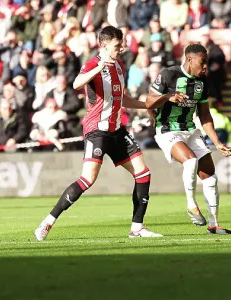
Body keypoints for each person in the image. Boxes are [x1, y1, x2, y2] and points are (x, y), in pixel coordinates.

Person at [35, 25, 162, 241]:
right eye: (116, 45)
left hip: (117, 130)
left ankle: (137, 227)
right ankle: (48, 221)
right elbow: (76, 84)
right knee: (87, 179)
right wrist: (99, 67)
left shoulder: (120, 66)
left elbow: (123, 100)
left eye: (121, 44)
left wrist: (148, 105)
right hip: (97, 131)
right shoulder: (93, 64)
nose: (121, 49)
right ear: (103, 46)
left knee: (143, 173)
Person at [146, 43, 231, 234]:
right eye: (202, 62)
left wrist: (217, 143)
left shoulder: (203, 83)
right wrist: (167, 97)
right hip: (169, 130)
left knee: (210, 178)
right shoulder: (169, 75)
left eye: (207, 63)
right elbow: (148, 102)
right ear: (189, 59)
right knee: (191, 161)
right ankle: (191, 205)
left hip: (191, 131)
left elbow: (204, 116)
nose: (205, 67)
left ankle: (214, 225)